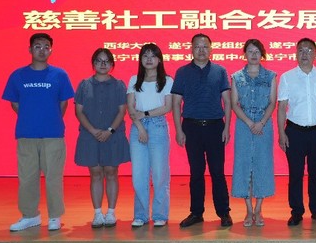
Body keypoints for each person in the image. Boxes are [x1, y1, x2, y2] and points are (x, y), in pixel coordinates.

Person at [2, 33, 75, 232]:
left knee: (53, 178)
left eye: (46, 47)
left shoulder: (59, 75)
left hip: (53, 135)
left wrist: (50, 119)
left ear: (51, 50)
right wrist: (31, 118)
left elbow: (64, 103)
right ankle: (30, 216)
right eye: (37, 46)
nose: (42, 50)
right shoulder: (18, 75)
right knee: (27, 178)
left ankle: (54, 216)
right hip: (26, 134)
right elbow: (15, 103)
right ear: (30, 49)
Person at [172, 33, 233, 228]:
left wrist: (227, 127)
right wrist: (179, 130)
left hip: (215, 127)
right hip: (191, 127)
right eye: (197, 46)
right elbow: (176, 103)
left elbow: (227, 101)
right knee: (196, 172)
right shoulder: (182, 72)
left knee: (217, 172)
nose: (201, 50)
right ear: (191, 49)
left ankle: (224, 212)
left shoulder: (220, 71)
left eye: (205, 46)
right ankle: (196, 213)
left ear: (211, 49)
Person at [277, 38, 316, 226]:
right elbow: (282, 108)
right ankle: (296, 212)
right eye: (301, 50)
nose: (305, 54)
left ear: (315, 54)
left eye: (309, 50)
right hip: (294, 132)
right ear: (296, 53)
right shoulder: (287, 77)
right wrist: (281, 133)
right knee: (296, 174)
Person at [73, 48, 131, 228]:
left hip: (113, 135)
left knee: (112, 172)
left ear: (112, 64)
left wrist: (109, 131)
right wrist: (93, 130)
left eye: (107, 61)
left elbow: (122, 111)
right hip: (90, 136)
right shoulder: (84, 85)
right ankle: (97, 213)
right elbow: (79, 111)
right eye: (99, 61)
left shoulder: (119, 85)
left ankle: (111, 212)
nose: (103, 64)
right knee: (96, 173)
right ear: (93, 64)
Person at [127, 43, 174, 228]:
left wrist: (145, 114)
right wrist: (140, 127)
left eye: (152, 56)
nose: (148, 59)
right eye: (145, 56)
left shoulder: (167, 81)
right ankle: (141, 215)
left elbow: (167, 107)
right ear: (140, 60)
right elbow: (131, 108)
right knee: (139, 175)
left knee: (160, 174)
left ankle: (160, 214)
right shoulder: (134, 80)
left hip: (158, 126)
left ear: (159, 60)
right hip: (137, 127)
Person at [231, 38, 277, 227]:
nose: (254, 55)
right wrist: (250, 123)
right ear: (245, 54)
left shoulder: (270, 76)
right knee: (244, 166)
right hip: (244, 125)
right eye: (250, 51)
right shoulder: (237, 77)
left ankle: (259, 209)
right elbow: (234, 104)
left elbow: (272, 102)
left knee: (262, 165)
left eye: (257, 51)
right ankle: (248, 210)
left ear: (262, 54)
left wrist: (261, 122)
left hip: (264, 125)